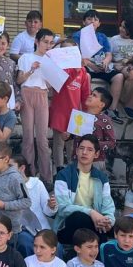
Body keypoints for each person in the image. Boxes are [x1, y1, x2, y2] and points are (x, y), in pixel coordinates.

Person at [53, 134, 115, 247]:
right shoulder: (64, 175)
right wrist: (91, 213)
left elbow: (108, 206)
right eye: (81, 148)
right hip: (68, 225)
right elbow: (63, 208)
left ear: (96, 154)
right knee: (79, 217)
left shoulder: (102, 178)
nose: (84, 152)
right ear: (76, 151)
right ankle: (100, 250)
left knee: (121, 226)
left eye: (89, 150)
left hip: (95, 224)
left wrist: (108, 221)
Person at [0, 141, 39, 256]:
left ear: (6, 159)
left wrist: (5, 205)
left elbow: (26, 201)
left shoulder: (15, 178)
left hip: (10, 232)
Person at [16, 28, 56, 184]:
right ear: (37, 41)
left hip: (42, 94)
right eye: (45, 42)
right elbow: (19, 80)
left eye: (51, 43)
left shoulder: (51, 59)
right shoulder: (25, 57)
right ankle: (28, 176)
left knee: (42, 138)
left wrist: (52, 74)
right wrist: (31, 70)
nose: (48, 45)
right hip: (27, 93)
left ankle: (46, 178)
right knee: (27, 137)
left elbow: (51, 85)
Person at [48, 41, 90, 171]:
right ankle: (59, 169)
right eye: (65, 50)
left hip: (75, 113)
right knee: (59, 143)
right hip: (59, 111)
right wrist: (76, 71)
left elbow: (85, 94)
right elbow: (63, 81)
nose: (68, 53)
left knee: (72, 143)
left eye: (72, 50)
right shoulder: (58, 68)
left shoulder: (83, 71)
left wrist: (86, 112)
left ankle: (72, 169)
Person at [107, 16, 133, 123]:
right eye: (121, 26)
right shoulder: (114, 40)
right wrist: (115, 65)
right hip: (123, 66)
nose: (120, 28)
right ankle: (130, 107)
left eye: (124, 27)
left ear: (131, 30)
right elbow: (108, 57)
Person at [72, 10, 114, 80]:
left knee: (119, 76)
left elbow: (108, 54)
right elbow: (76, 55)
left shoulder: (102, 36)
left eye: (96, 20)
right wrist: (91, 65)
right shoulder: (77, 35)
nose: (92, 21)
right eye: (89, 19)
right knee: (86, 75)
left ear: (99, 24)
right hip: (86, 65)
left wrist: (106, 61)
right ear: (84, 22)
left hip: (101, 65)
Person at [82, 88, 116, 171]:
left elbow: (112, 142)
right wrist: (67, 136)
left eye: (94, 95)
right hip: (78, 159)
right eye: (91, 94)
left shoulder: (105, 120)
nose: (90, 96)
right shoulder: (80, 116)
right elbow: (75, 135)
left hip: (95, 162)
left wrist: (95, 145)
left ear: (101, 105)